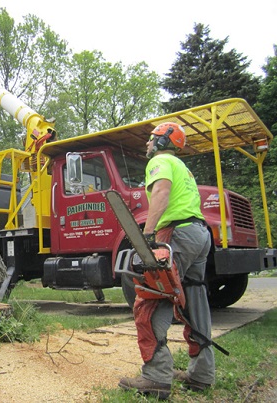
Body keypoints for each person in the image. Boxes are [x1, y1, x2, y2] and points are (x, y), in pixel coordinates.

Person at [118, 122, 214, 400]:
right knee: (195, 300)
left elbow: (161, 191)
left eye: (151, 139)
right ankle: (201, 375)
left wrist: (147, 233)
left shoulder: (160, 161)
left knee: (152, 295)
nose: (147, 144)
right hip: (199, 233)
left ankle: (156, 376)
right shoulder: (183, 167)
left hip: (178, 233)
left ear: (162, 142)